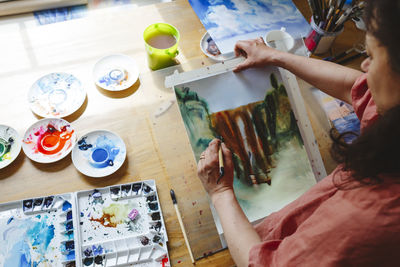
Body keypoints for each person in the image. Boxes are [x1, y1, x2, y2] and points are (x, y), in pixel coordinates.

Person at [196, 0, 400, 266]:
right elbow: (357, 87)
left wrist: (220, 192)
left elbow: (263, 264)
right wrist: (277, 56)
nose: (362, 66)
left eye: (371, 56)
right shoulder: (392, 112)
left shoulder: (368, 216)